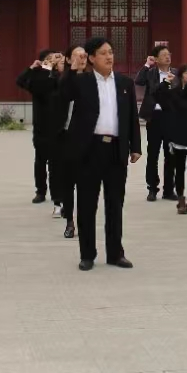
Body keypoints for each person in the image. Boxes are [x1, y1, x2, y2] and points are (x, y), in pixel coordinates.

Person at [66, 37, 142, 271]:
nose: (109, 57)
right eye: (103, 53)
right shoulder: (82, 82)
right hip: (90, 149)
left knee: (115, 204)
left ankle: (115, 253)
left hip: (116, 149)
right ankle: (87, 254)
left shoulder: (125, 83)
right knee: (87, 204)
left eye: (111, 52)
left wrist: (135, 146)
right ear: (91, 58)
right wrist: (73, 70)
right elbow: (62, 95)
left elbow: (131, 116)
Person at [17, 50, 66, 210]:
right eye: (49, 59)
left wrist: (60, 67)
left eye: (54, 58)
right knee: (40, 161)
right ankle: (40, 191)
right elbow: (20, 81)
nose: (53, 61)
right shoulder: (37, 78)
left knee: (56, 163)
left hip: (58, 128)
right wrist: (32, 68)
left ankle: (56, 194)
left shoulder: (60, 77)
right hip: (41, 127)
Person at [55, 45, 89, 239]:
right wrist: (73, 70)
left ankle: (83, 221)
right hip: (66, 137)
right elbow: (65, 94)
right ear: (68, 59)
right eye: (77, 55)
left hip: (87, 138)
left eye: (84, 55)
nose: (81, 58)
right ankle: (69, 221)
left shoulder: (92, 80)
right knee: (68, 182)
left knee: (86, 183)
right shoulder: (63, 80)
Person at [135, 45, 177, 202]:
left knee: (170, 155)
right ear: (156, 59)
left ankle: (169, 190)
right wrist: (147, 64)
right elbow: (139, 81)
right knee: (153, 154)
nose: (167, 57)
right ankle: (152, 188)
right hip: (154, 117)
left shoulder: (176, 73)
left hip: (171, 117)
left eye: (169, 54)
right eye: (164, 55)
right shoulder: (151, 73)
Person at [158, 64, 187, 215]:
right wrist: (166, 82)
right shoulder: (174, 92)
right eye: (186, 72)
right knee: (180, 169)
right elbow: (158, 96)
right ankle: (181, 200)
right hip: (179, 135)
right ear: (181, 75)